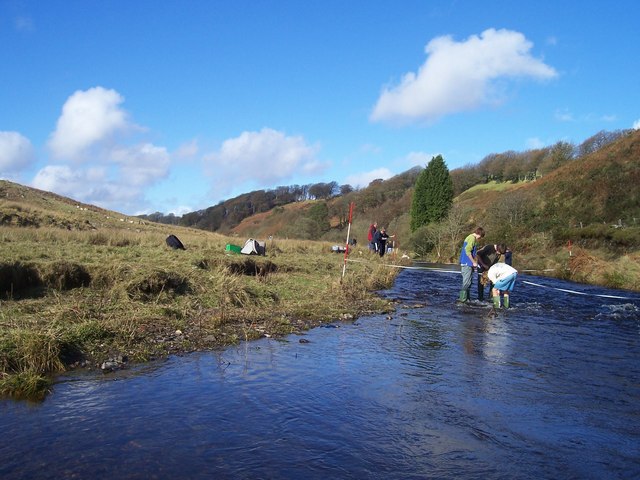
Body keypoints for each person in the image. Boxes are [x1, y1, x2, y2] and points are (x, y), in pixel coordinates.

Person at [457, 227, 485, 303]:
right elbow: (468, 251)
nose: (480, 238)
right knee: (467, 283)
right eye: (481, 236)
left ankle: (467, 300)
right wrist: (473, 262)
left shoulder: (471, 238)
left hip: (467, 263)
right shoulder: (472, 238)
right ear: (478, 234)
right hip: (467, 263)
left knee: (468, 282)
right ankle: (462, 300)